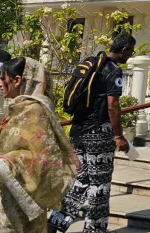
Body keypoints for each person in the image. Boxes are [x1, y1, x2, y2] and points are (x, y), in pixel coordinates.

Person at [50, 32, 136, 233]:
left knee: (79, 181)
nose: (130, 56)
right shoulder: (112, 70)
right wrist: (118, 136)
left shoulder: (92, 62)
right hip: (98, 133)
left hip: (78, 130)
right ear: (124, 50)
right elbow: (112, 106)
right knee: (100, 185)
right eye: (130, 52)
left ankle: (56, 222)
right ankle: (94, 230)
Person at [0, 57, 77, 232]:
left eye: (2, 79)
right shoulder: (20, 108)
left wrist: (6, 162)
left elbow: (43, 157)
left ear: (17, 80)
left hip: (23, 197)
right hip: (10, 190)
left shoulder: (35, 110)